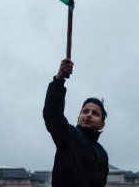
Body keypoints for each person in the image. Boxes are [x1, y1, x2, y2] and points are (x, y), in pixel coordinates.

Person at [43, 59, 109, 187]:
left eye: (95, 113)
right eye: (85, 111)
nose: (89, 115)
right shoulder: (69, 135)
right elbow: (53, 114)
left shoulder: (103, 154)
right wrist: (59, 80)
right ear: (78, 117)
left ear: (102, 124)